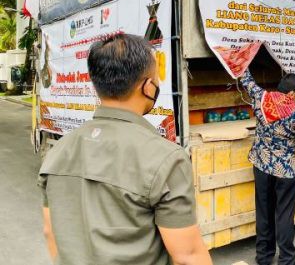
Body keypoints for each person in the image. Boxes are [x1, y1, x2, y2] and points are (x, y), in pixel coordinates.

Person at [38, 34, 212, 265]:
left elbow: (51, 233)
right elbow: (187, 256)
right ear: (148, 87)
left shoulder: (58, 152)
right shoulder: (166, 158)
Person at [240, 69, 295, 265]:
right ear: (291, 94)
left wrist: (238, 57)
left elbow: (246, 78)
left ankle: (263, 258)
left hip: (261, 167)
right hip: (285, 172)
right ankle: (287, 260)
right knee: (284, 216)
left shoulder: (261, 98)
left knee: (264, 212)